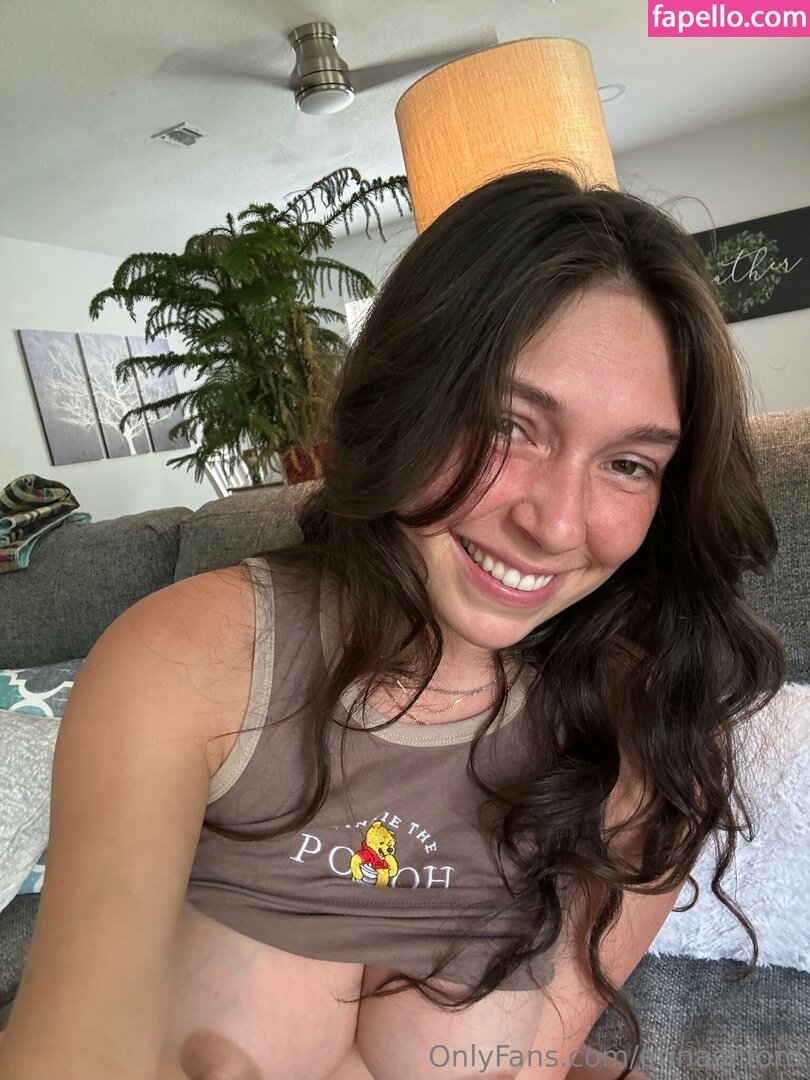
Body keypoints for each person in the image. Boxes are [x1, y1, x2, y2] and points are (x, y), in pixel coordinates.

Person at [0, 169, 786, 1080]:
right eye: (509, 424)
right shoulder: (189, 661)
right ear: (407, 399)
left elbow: (533, 1060)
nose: (557, 525)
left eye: (627, 464)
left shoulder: (649, 723)